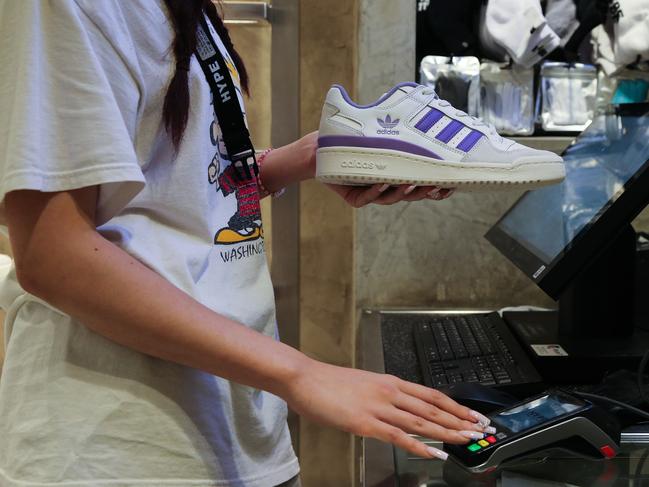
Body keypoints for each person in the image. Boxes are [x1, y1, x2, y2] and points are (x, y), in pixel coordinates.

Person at [0, 1, 492, 486]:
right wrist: (300, 373)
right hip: (116, 441)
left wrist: (308, 157)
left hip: (232, 422)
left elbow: (177, 181)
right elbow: (52, 255)